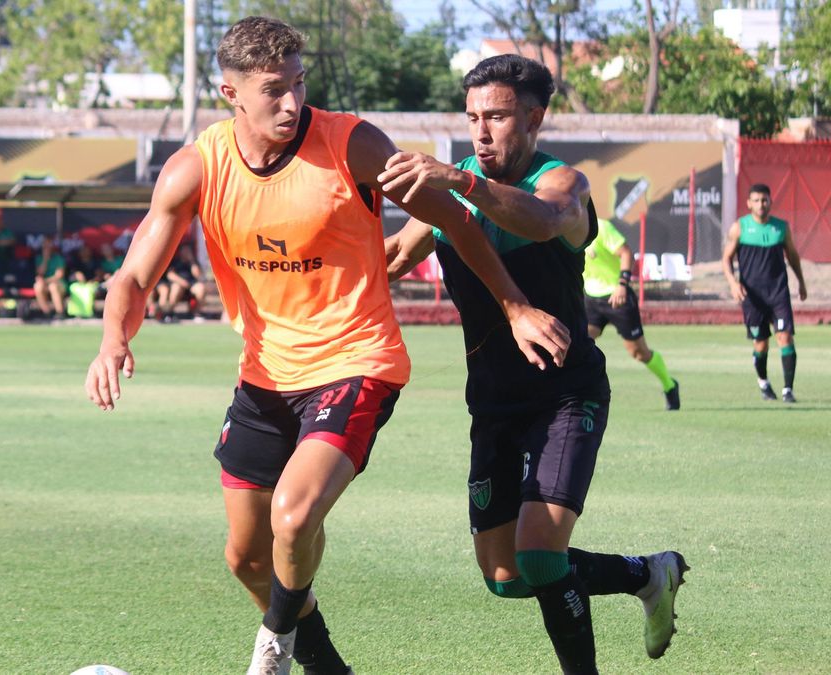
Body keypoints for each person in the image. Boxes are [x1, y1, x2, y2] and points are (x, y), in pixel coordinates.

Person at [86, 18, 571, 675]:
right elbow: (135, 276)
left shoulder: (353, 143)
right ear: (231, 93)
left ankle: (273, 646)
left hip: (357, 360)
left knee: (294, 515)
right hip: (264, 375)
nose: (291, 103)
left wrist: (514, 305)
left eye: (298, 84)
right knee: (247, 557)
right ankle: (327, 666)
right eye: (272, 91)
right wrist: (114, 337)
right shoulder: (196, 168)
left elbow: (453, 216)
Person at [382, 54, 687, 673]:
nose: (481, 131)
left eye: (496, 116)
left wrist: (462, 184)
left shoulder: (563, 185)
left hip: (565, 394)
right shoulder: (454, 185)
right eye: (472, 117)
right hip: (493, 401)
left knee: (543, 557)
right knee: (505, 575)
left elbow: (546, 221)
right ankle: (647, 575)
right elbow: (388, 258)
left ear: (534, 117)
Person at [721, 183, 807, 403]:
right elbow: (726, 259)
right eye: (757, 200)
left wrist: (801, 282)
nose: (761, 204)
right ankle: (764, 383)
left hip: (778, 293)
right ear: (749, 203)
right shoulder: (740, 227)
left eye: (765, 200)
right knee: (761, 343)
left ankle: (788, 390)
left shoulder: (781, 228)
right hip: (752, 297)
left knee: (785, 337)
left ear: (770, 202)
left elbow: (793, 256)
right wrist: (732, 283)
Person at [583, 217, 679, 410]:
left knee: (639, 353)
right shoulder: (565, 226)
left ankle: (670, 385)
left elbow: (627, 253)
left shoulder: (601, 226)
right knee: (579, 345)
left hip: (617, 297)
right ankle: (580, 396)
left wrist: (622, 285)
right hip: (590, 299)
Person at [158, 243, 208, 321]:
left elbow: (198, 275)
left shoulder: (193, 262)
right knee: (176, 287)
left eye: (188, 250)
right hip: (179, 284)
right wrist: (183, 282)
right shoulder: (176, 261)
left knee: (201, 288)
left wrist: (192, 261)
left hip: (191, 285)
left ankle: (195, 313)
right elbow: (170, 275)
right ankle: (169, 313)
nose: (186, 252)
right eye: (184, 250)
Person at [34, 237, 67, 319]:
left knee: (53, 286)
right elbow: (40, 273)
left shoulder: (57, 258)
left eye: (49, 245)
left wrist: (46, 281)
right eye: (45, 245)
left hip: (59, 284)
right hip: (45, 284)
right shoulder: (39, 258)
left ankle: (60, 312)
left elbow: (59, 275)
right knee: (37, 286)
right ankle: (47, 312)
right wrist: (45, 259)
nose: (47, 248)